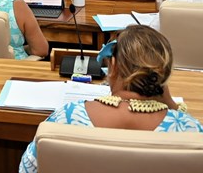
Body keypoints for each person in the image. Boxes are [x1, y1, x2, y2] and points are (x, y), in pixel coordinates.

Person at [19, 25, 203, 173]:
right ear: (164, 76)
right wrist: (172, 107)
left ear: (113, 66)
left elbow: (27, 168)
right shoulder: (189, 131)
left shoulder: (65, 118)